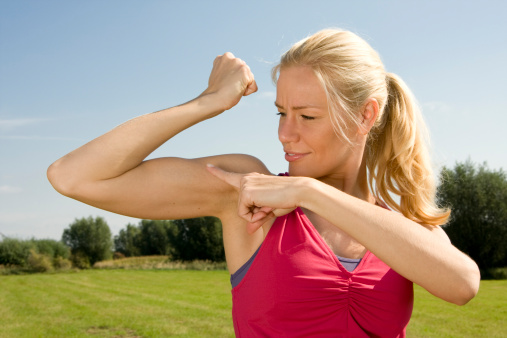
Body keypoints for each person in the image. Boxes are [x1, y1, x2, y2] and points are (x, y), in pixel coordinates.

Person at [47, 29, 480, 336]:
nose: (285, 134)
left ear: (365, 115)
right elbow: (74, 176)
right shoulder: (246, 189)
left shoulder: (398, 223)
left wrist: (309, 193)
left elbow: (462, 285)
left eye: (307, 116)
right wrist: (208, 102)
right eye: (281, 113)